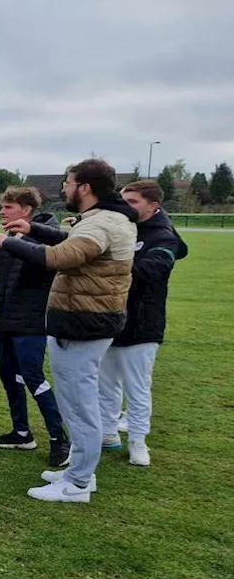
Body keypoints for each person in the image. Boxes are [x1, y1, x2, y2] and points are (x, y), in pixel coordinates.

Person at [0, 158, 137, 503]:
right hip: (85, 321)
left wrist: (7, 241)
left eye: (68, 183)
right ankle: (77, 472)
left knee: (80, 405)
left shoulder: (104, 222)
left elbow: (60, 257)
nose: (64, 188)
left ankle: (79, 483)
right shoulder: (103, 219)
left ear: (84, 187)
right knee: (75, 401)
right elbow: (72, 241)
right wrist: (32, 229)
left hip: (82, 323)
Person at [0, 187, 69, 468]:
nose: (1, 211)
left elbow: (43, 260)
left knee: (33, 378)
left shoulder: (45, 235)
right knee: (9, 377)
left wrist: (9, 243)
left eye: (8, 207)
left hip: (31, 322)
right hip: (4, 319)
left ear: (26, 210)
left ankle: (60, 439)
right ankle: (22, 433)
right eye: (2, 206)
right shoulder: (12, 237)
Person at [98, 180, 187, 467]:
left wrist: (107, 268)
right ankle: (108, 433)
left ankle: (138, 440)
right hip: (109, 318)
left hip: (143, 324)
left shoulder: (163, 236)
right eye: (124, 201)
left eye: (134, 202)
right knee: (106, 382)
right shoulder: (123, 227)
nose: (127, 207)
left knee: (137, 387)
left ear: (153, 206)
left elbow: (152, 269)